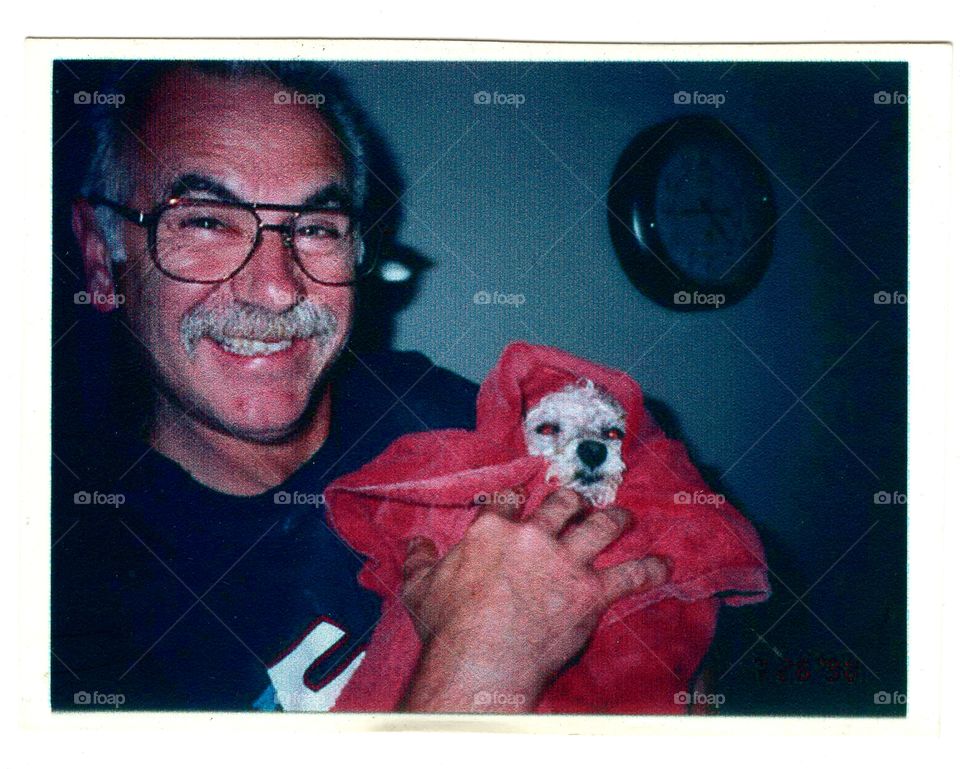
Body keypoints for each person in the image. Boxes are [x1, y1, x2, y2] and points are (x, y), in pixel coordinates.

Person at [53, 61, 667, 712]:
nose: (277, 287)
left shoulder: (443, 414)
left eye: (316, 229)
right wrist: (480, 667)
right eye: (205, 220)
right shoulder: (65, 591)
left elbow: (705, 634)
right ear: (100, 254)